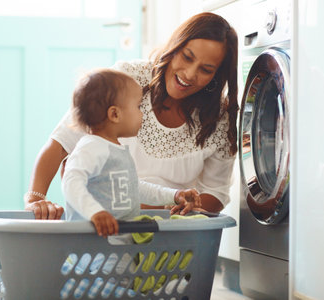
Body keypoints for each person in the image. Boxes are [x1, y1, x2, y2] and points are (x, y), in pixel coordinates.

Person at [24, 12, 238, 220]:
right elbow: (61, 143)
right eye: (187, 57)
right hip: (107, 223)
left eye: (206, 69)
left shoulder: (218, 118)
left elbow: (215, 192)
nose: (190, 74)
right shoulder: (127, 81)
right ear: (174, 47)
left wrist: (177, 203)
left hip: (171, 230)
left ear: (217, 76)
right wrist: (36, 200)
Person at [62, 68, 201, 237]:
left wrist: (174, 195)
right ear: (115, 114)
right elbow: (71, 182)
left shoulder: (116, 150)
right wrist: (95, 212)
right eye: (137, 107)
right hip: (92, 250)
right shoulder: (91, 147)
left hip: (119, 247)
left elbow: (134, 188)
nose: (142, 114)